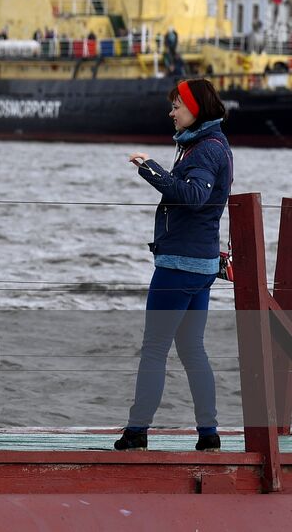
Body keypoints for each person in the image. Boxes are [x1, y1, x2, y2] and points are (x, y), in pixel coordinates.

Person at [117, 79, 232, 452]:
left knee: (154, 349)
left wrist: (150, 170)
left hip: (180, 266)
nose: (171, 112)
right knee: (192, 350)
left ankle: (136, 433)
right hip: (199, 266)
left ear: (196, 109)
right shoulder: (207, 145)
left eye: (177, 106)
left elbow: (195, 197)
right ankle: (208, 434)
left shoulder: (204, 150)